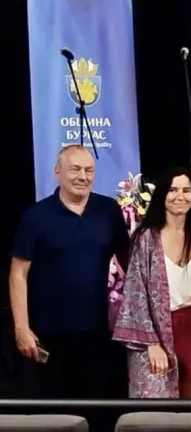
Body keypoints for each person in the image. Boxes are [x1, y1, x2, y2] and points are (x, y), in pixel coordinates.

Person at [9, 145, 130, 399]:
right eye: (75, 169)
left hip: (98, 335)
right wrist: (21, 327)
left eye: (89, 170)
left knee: (97, 409)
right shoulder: (35, 216)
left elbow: (129, 264)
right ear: (57, 172)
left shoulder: (109, 211)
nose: (83, 177)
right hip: (48, 335)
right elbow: (18, 274)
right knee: (55, 412)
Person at [113, 168, 191, 398]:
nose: (180, 196)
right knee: (156, 406)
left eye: (186, 190)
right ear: (162, 194)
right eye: (173, 190)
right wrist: (151, 343)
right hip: (157, 332)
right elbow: (135, 294)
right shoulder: (146, 239)